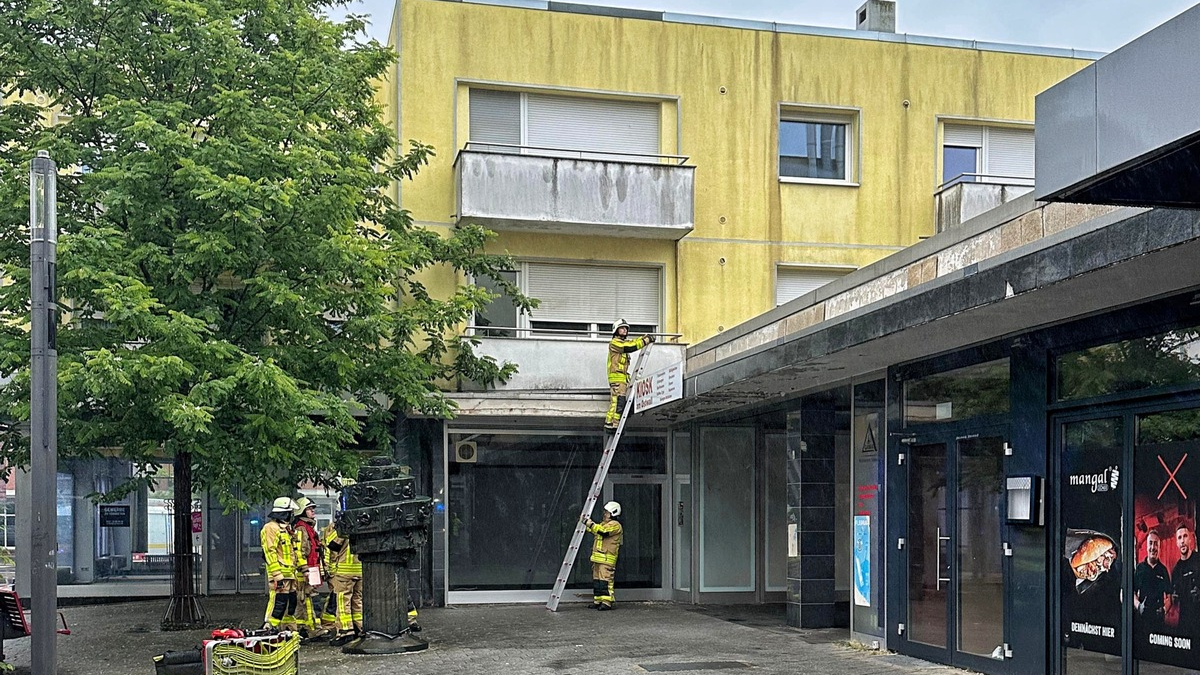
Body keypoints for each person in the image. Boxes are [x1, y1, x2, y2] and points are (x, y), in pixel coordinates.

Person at [605, 319, 654, 432]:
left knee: (618, 402)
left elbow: (631, 342)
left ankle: (612, 423)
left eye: (626, 328)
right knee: (619, 402)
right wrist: (646, 340)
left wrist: (643, 338)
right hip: (617, 378)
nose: (625, 330)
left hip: (622, 378)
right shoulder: (614, 343)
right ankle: (613, 425)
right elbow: (630, 346)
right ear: (616, 330)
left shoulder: (622, 343)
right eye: (622, 328)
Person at [322, 518, 363, 646]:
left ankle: (346, 630)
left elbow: (332, 545)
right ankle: (359, 628)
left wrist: (329, 569)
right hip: (360, 569)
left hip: (344, 571)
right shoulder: (362, 523)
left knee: (342, 601)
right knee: (357, 600)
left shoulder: (341, 525)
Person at [261, 497, 300, 632]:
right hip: (280, 574)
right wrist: (276, 574)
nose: (292, 515)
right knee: (278, 600)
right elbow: (269, 551)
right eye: (291, 512)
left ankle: (288, 629)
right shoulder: (270, 528)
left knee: (290, 603)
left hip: (289, 573)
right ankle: (269, 627)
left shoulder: (286, 529)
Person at [291, 497, 327, 641]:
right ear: (302, 512)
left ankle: (302, 630)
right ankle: (311, 630)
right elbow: (299, 551)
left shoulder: (308, 528)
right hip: (303, 572)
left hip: (310, 570)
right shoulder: (301, 528)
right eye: (309, 509)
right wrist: (305, 569)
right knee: (304, 600)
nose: (313, 511)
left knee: (305, 600)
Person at [583, 501, 623, 610]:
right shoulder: (603, 524)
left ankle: (607, 603)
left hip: (606, 559)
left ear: (613, 513)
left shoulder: (615, 525)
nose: (604, 514)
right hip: (598, 559)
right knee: (597, 581)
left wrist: (590, 523)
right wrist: (585, 523)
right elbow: (596, 530)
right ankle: (598, 601)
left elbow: (603, 532)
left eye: (607, 512)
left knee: (605, 581)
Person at [1135, 530, 1172, 632]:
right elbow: (1132, 593)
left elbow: (1169, 596)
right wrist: (1139, 606)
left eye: (1156, 544)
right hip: (1141, 622)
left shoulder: (1163, 570)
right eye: (1150, 543)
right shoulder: (1139, 568)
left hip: (1158, 624)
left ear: (1159, 548)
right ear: (1147, 546)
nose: (1153, 547)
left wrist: (1164, 610)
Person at [1173, 522, 1200, 631]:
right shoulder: (1176, 570)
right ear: (1177, 543)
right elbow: (1174, 599)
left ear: (1190, 539)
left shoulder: (1198, 560)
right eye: (1179, 538)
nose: (1182, 541)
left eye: (1185, 536)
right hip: (1184, 625)